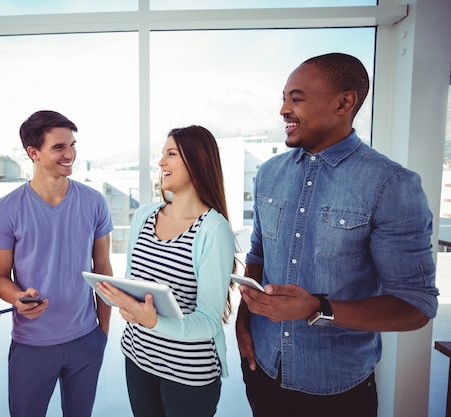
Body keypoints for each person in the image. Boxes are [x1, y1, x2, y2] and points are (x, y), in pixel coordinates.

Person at [235, 52, 439, 417]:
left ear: (345, 102)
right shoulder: (268, 174)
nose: (284, 109)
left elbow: (415, 306)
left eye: (296, 98)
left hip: (337, 392)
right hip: (263, 372)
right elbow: (257, 256)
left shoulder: (391, 185)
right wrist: (242, 325)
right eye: (283, 98)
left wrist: (318, 308)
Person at [97, 125, 236, 417]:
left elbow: (210, 321)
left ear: (197, 162)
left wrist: (152, 322)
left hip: (188, 372)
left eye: (170, 154)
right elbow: (134, 285)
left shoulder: (214, 229)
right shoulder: (146, 215)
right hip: (138, 357)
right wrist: (119, 298)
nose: (161, 163)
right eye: (162, 154)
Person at [0, 110, 113, 417]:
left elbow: (104, 270)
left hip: (86, 339)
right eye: (59, 147)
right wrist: (18, 297)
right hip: (32, 344)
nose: (69, 154)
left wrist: (103, 332)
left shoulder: (94, 201)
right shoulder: (6, 209)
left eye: (72, 145)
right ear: (34, 153)